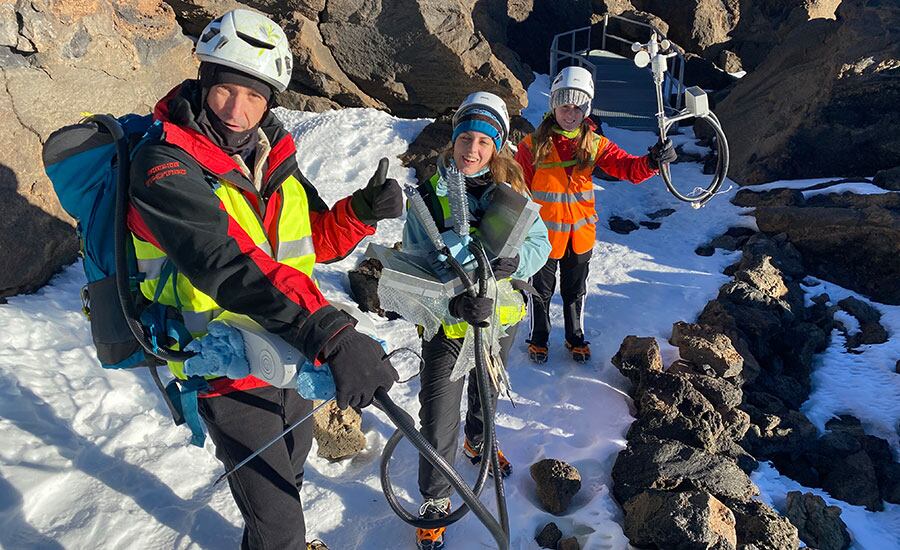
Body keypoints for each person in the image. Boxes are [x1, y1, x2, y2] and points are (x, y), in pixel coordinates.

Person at [126, 9, 401, 549]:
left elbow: (310, 239)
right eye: (227, 90)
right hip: (224, 362)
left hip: (289, 356)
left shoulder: (272, 157)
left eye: (254, 96)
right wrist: (329, 330)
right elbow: (225, 262)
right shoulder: (164, 166)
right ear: (204, 81)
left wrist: (363, 210)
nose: (238, 110)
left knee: (292, 477)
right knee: (279, 526)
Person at [403, 92, 551, 550]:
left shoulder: (511, 195)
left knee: (484, 396)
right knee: (438, 412)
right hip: (447, 323)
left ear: (498, 147)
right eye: (465, 138)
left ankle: (479, 441)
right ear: (452, 140)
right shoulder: (430, 194)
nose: (472, 150)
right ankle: (434, 499)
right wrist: (450, 298)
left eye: (484, 143)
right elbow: (413, 261)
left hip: (497, 321)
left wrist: (514, 262)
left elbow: (540, 245)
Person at [515, 66, 676, 364]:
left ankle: (575, 337)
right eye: (565, 104)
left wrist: (653, 160)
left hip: (580, 235)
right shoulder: (531, 146)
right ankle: (538, 338)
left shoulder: (594, 143)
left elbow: (628, 167)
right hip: (542, 238)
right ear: (554, 104)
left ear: (587, 108)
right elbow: (514, 186)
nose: (571, 113)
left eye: (579, 106)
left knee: (576, 291)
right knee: (541, 291)